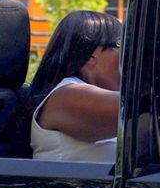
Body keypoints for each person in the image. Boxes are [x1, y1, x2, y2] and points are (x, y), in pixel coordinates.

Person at [27, 11, 122, 162]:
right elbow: (137, 106)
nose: (128, 59)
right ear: (92, 55)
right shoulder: (66, 96)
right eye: (122, 48)